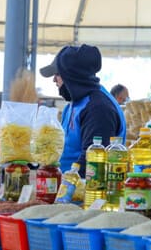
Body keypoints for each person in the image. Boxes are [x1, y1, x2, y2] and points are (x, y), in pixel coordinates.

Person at [40, 44, 126, 177]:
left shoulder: (98, 108)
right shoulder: (73, 105)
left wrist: (65, 190)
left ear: (71, 75)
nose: (53, 80)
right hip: (64, 187)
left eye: (57, 74)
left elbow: (92, 162)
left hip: (86, 192)